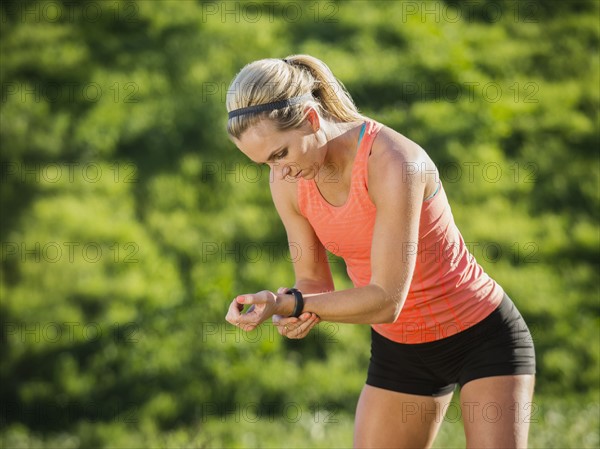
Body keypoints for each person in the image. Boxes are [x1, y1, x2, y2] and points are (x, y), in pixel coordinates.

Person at [224, 54, 536, 449]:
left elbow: (387, 299)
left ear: (311, 119)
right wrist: (289, 303)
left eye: (280, 154)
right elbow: (313, 283)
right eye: (264, 163)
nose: (278, 172)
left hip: (480, 337)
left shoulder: (394, 162)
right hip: (400, 350)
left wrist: (294, 305)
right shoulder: (287, 180)